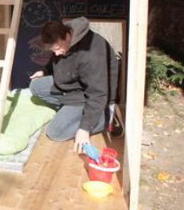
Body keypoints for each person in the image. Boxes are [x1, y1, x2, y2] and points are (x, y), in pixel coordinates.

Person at [29, 18, 118, 153]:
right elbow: (56, 58)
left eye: (58, 48)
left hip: (88, 94)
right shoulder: (63, 39)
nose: (57, 53)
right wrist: (45, 71)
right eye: (53, 50)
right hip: (72, 86)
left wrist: (84, 129)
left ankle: (106, 117)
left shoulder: (91, 53)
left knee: (55, 132)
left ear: (66, 36)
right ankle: (70, 111)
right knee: (36, 86)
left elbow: (98, 93)